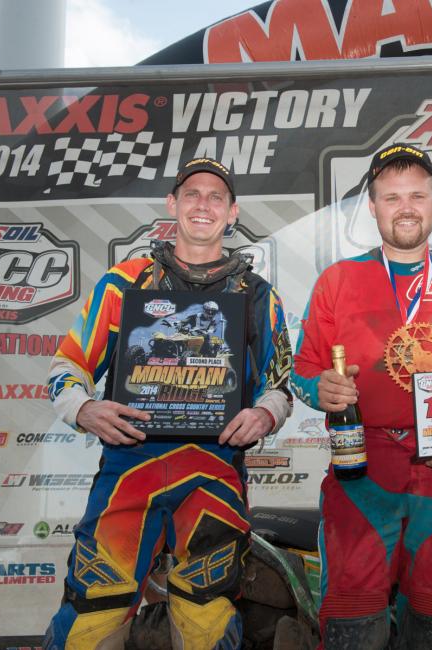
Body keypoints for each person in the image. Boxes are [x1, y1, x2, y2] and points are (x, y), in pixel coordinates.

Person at [44, 157, 293, 649]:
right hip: (129, 468)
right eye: (193, 194)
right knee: (94, 607)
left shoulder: (259, 296)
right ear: (172, 204)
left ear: (233, 212)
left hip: (215, 472)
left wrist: (265, 413)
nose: (204, 204)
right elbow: (68, 365)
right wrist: (82, 408)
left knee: (209, 612)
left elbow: (281, 385)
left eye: (216, 196)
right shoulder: (124, 282)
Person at [291, 143, 432, 649]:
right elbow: (302, 370)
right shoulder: (338, 281)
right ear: (372, 207)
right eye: (391, 197)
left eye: (416, 195)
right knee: (351, 621)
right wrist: (317, 388)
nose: (405, 207)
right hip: (361, 474)